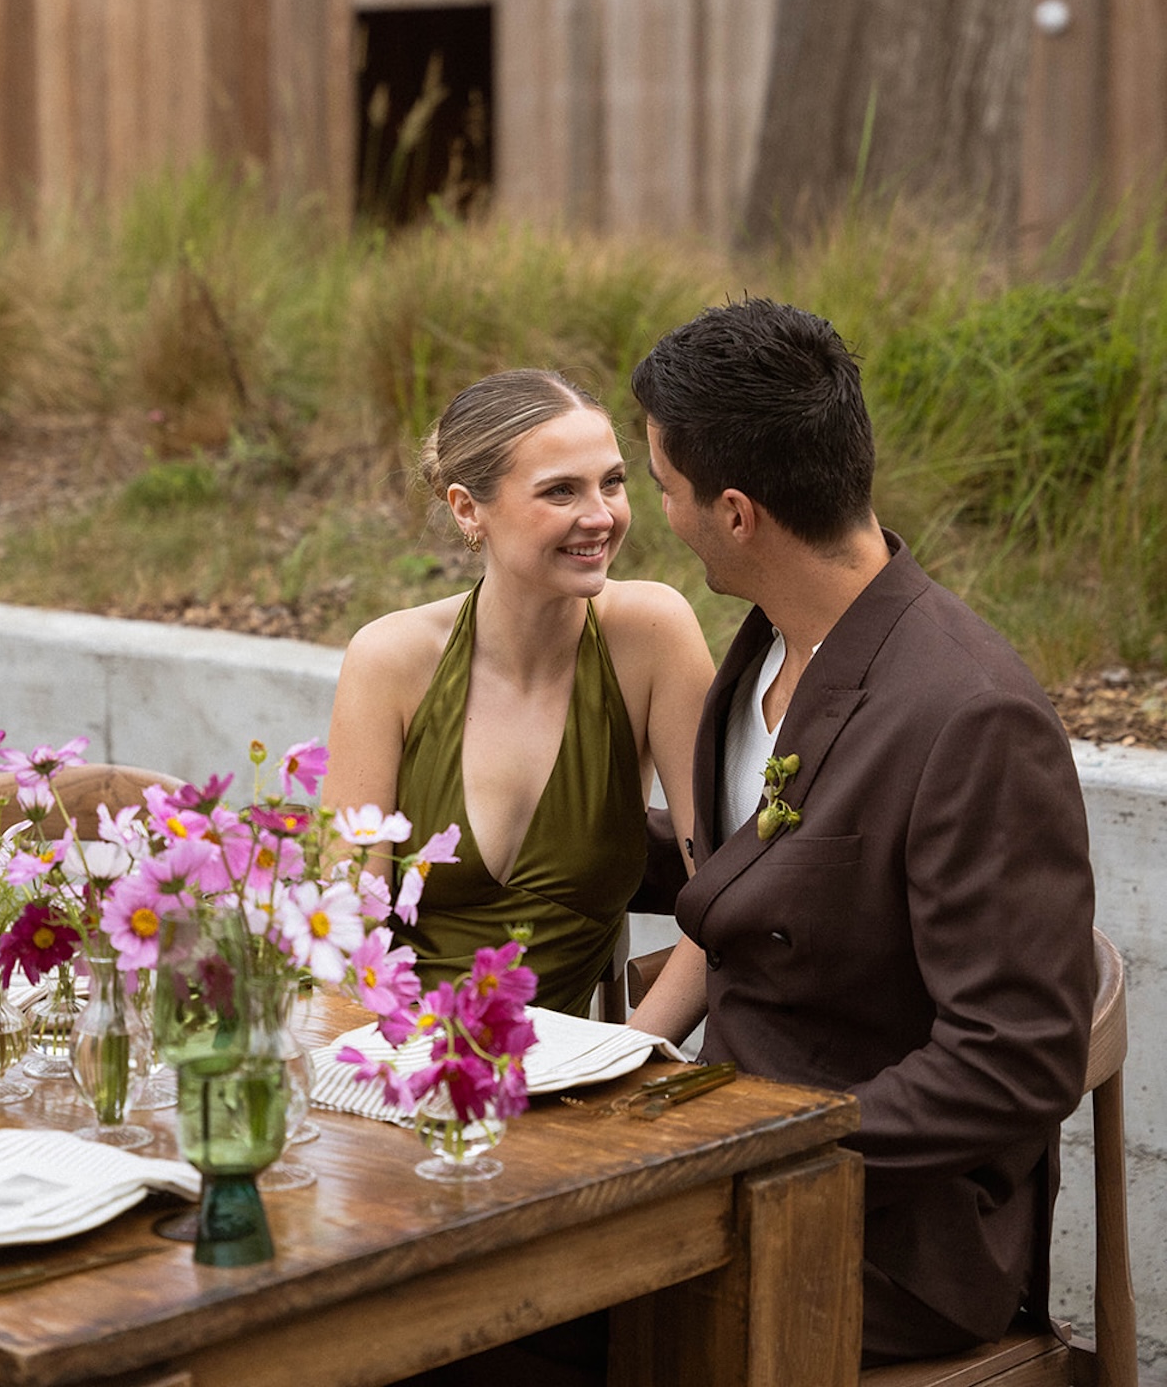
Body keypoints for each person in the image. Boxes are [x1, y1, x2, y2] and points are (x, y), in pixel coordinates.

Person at [627, 297, 1095, 1367]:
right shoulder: (760, 654)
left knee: (509, 1326)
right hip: (720, 1161)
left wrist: (752, 1149)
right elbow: (760, 871)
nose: (662, 513)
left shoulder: (968, 717)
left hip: (885, 1238)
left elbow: (1012, 1061)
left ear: (735, 512)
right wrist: (561, 842)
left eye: (661, 487)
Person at [324, 367, 714, 1018]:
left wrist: (628, 1052)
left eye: (612, 483)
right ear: (467, 508)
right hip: (389, 1052)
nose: (601, 516)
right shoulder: (388, 661)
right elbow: (342, 940)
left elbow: (724, 901)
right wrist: (398, 1071)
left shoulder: (651, 635)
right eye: (561, 491)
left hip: (578, 1076)